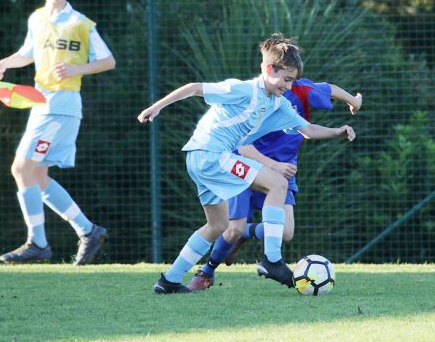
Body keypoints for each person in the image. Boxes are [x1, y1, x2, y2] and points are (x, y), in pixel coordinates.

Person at [137, 34, 356, 294]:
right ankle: (272, 260)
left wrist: (337, 131)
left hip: (203, 158)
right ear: (267, 69)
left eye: (292, 81)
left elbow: (307, 129)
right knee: (277, 183)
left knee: (217, 225)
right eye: (285, 79)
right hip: (211, 154)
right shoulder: (244, 90)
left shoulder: (277, 104)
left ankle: (169, 280)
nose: (288, 86)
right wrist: (157, 106)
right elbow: (195, 87)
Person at [0, 0, 116, 265]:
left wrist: (77, 70)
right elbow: (27, 53)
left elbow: (108, 60)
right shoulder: (37, 19)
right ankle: (88, 231)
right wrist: (4, 63)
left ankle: (38, 243)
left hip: (61, 105)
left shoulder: (80, 23)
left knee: (22, 169)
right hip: (41, 104)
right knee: (39, 177)